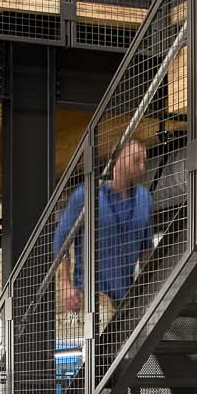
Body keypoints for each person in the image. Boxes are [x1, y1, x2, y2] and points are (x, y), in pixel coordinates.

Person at [51, 139, 155, 335]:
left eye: (144, 161)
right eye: (136, 160)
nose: (142, 167)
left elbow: (146, 249)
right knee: (102, 356)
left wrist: (148, 288)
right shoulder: (86, 195)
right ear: (119, 160)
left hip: (126, 299)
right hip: (91, 299)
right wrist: (64, 284)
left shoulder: (145, 199)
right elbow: (61, 239)